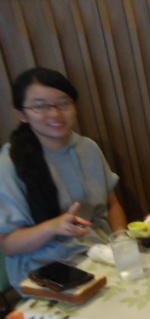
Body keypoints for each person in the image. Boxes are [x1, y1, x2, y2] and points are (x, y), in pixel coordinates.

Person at [0, 68, 127, 290]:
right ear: (22, 114)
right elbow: (8, 245)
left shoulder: (88, 148)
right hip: (46, 273)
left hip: (99, 254)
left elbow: (112, 204)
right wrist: (53, 227)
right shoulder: (8, 165)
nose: (55, 114)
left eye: (63, 103)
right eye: (40, 106)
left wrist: (122, 239)